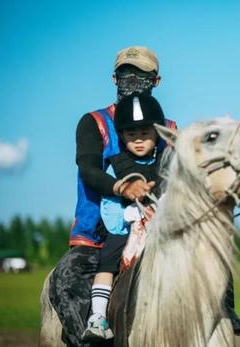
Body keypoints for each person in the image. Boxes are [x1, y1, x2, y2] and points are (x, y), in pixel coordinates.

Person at [49, 46, 172, 347]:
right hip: (97, 236)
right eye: (126, 75)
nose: (133, 81)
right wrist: (123, 187)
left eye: (142, 76)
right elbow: (89, 170)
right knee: (65, 280)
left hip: (160, 233)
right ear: (114, 79)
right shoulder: (93, 122)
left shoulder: (170, 130)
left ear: (156, 82)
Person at [82, 92, 164, 341]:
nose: (138, 140)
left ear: (157, 133)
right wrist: (129, 218)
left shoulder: (167, 161)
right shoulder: (115, 165)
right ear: (121, 136)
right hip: (125, 229)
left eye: (145, 134)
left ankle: (221, 308)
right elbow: (109, 204)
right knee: (108, 258)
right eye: (131, 135)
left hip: (163, 227)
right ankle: (97, 317)